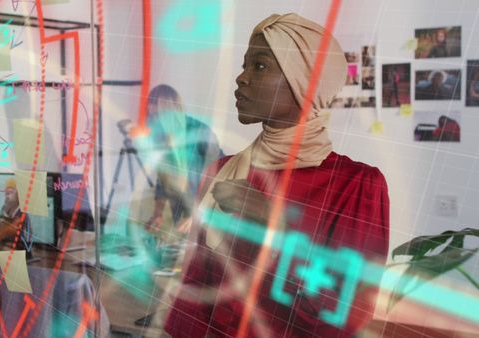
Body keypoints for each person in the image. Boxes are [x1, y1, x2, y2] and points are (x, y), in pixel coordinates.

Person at [164, 13, 389, 337]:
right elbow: (197, 285)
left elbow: (347, 316)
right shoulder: (222, 169)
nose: (240, 79)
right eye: (244, 66)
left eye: (259, 65)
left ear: (305, 81)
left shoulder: (355, 185)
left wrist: (275, 228)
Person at [143, 84, 223, 235]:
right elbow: (162, 179)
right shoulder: (159, 136)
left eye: (158, 117)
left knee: (207, 244)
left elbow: (217, 175)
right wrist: (157, 214)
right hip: (182, 202)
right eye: (151, 117)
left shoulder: (200, 132)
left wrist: (197, 213)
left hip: (212, 203)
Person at [0, 177, 33, 254]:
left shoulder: (22, 212)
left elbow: (28, 235)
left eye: (11, 193)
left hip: (17, 247)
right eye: (7, 193)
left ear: (18, 194)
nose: (8, 196)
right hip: (1, 245)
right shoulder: (4, 209)